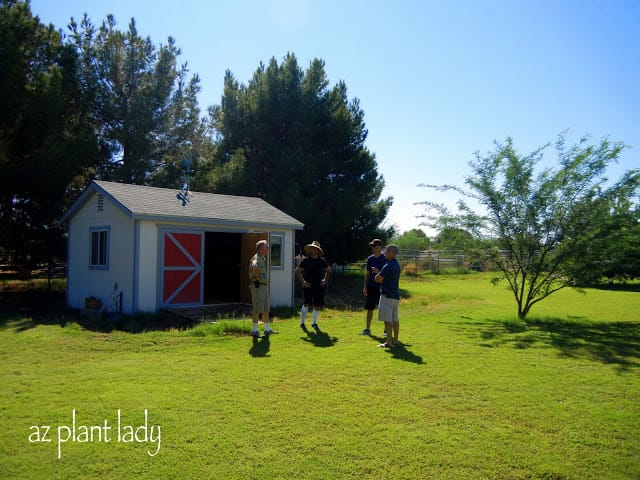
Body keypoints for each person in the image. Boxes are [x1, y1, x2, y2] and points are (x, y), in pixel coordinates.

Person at [295, 241, 331, 330]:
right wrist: (303, 282)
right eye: (313, 248)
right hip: (308, 285)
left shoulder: (322, 260)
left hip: (318, 285)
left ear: (318, 250)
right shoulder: (306, 260)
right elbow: (297, 271)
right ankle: (302, 322)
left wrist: (325, 280)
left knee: (317, 305)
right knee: (306, 303)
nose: (314, 250)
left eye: (316, 248)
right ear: (310, 249)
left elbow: (328, 270)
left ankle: (314, 323)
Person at [375, 244, 401, 347]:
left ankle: (389, 342)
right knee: (395, 319)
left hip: (387, 296)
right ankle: (396, 340)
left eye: (387, 251)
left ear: (392, 252)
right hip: (395, 295)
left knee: (388, 320)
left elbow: (377, 278)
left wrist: (378, 274)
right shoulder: (397, 264)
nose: (385, 253)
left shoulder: (388, 265)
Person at [249, 240, 276, 336]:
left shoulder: (262, 258)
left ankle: (267, 329)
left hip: (263, 286)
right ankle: (254, 330)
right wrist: (258, 277)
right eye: (267, 247)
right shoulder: (256, 258)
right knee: (257, 308)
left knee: (265, 308)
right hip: (258, 286)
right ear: (262, 249)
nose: (268, 248)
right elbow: (254, 266)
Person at [360, 239, 386, 336]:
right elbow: (367, 274)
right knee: (369, 308)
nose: (372, 248)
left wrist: (378, 271)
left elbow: (386, 274)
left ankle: (386, 330)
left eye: (374, 246)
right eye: (372, 246)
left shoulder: (385, 258)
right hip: (371, 287)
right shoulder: (370, 259)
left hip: (382, 287)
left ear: (379, 247)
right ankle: (367, 329)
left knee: (383, 308)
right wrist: (365, 287)